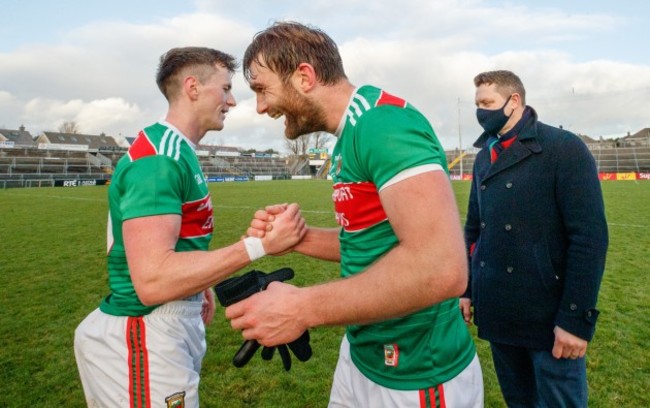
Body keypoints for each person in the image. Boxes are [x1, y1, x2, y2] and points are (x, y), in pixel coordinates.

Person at [225, 22, 484, 407]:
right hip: (362, 354)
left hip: (416, 373)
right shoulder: (350, 132)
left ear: (304, 76)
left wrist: (299, 307)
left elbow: (441, 268)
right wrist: (299, 237)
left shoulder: (383, 124)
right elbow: (371, 241)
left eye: (262, 89)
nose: (261, 107)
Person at [73, 46, 306, 407]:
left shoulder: (177, 150)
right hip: (144, 330)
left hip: (164, 325)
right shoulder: (160, 158)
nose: (231, 101)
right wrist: (258, 247)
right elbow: (152, 281)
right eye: (226, 88)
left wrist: (199, 285)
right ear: (193, 87)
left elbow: (175, 247)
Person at [459, 70, 608, 407]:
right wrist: (466, 288)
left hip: (549, 320)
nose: (481, 111)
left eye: (488, 103)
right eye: (477, 104)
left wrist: (575, 320)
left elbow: (589, 238)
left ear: (514, 102)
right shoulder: (484, 157)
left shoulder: (563, 148)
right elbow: (473, 228)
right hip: (499, 312)